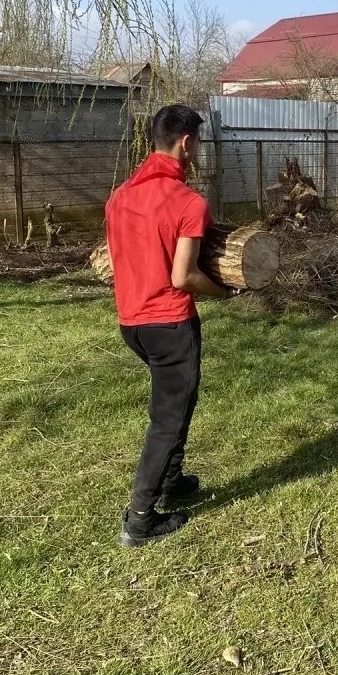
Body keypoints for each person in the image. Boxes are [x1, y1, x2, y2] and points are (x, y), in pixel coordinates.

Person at [104, 104, 229, 547]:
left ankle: (171, 480)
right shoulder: (188, 202)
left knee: (176, 405)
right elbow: (184, 276)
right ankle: (140, 519)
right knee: (168, 417)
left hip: (131, 323)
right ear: (187, 143)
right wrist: (225, 292)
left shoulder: (120, 195)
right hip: (170, 324)